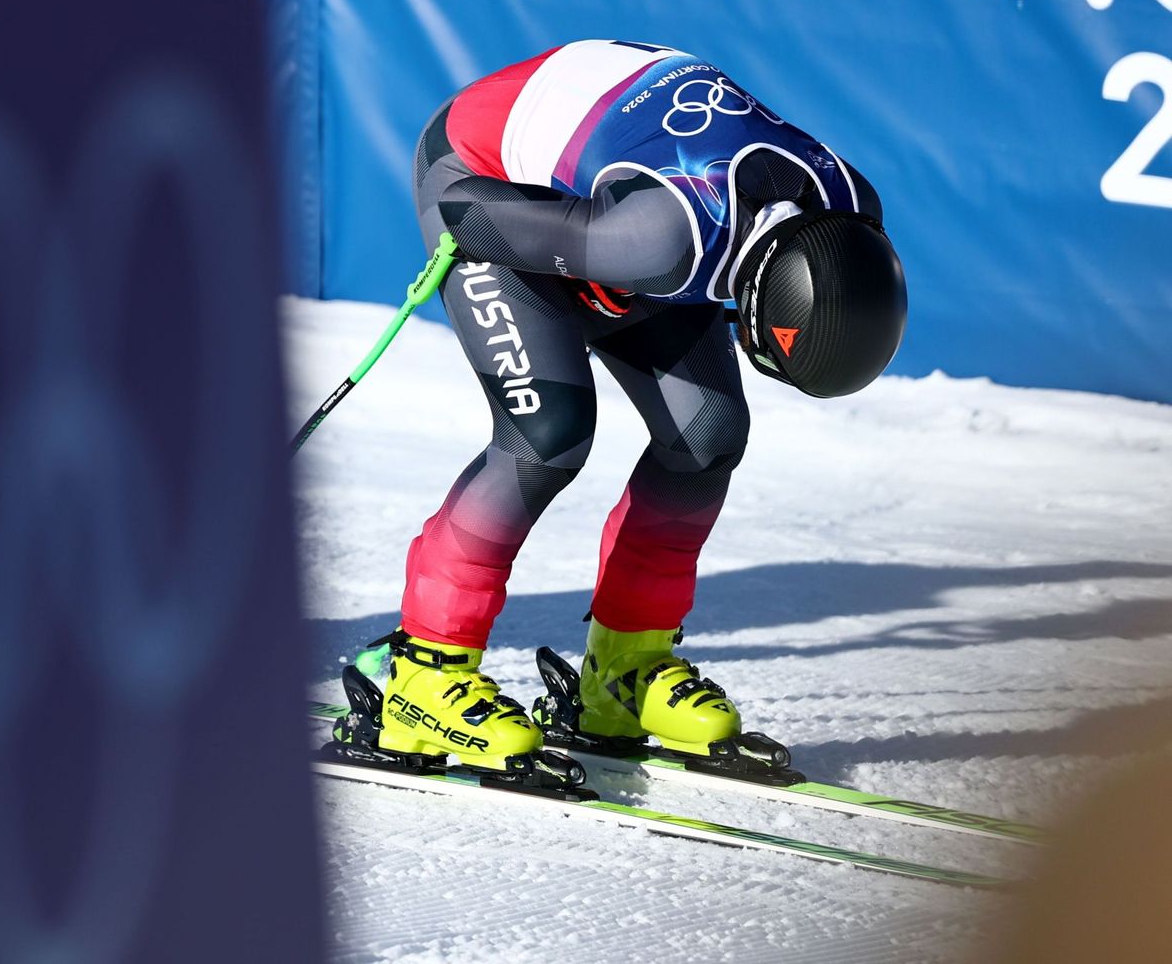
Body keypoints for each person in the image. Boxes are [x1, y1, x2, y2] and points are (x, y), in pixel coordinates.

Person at [370, 40, 907, 780]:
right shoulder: (658, 245)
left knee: (705, 434)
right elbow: (472, 219)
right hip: (482, 173)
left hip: (634, 185)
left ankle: (623, 671)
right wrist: (591, 281)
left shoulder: (851, 205)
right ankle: (422, 678)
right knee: (545, 435)